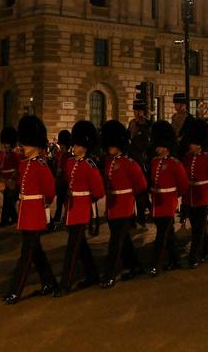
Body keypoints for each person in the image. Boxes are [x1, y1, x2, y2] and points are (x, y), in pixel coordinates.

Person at [3, 115, 57, 304]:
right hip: (25, 211)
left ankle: (15, 290)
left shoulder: (41, 164)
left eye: (25, 144)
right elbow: (21, 184)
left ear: (34, 144)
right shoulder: (25, 163)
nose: (22, 147)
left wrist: (43, 205)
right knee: (36, 252)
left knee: (26, 254)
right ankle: (50, 282)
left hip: (35, 213)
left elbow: (50, 191)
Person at [58, 120, 105, 294]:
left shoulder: (90, 165)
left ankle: (65, 283)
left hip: (82, 209)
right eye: (74, 145)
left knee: (72, 249)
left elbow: (99, 191)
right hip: (71, 208)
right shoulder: (70, 162)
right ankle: (92, 274)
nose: (74, 148)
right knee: (81, 246)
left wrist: (87, 200)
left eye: (78, 145)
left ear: (85, 147)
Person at [100, 119, 147, 287]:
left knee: (115, 243)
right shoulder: (109, 162)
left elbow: (141, 185)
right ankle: (134, 266)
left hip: (124, 206)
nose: (110, 147)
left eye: (112, 144)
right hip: (112, 206)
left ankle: (109, 275)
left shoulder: (129, 164)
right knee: (124, 240)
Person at [147, 120, 188, 276]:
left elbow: (183, 185)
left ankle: (155, 264)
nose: (158, 149)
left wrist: (175, 198)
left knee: (161, 235)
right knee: (168, 234)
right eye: (157, 145)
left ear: (167, 147)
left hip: (168, 202)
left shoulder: (175, 163)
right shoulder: (154, 162)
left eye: (161, 146)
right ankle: (176, 260)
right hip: (157, 202)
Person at [180, 117, 208, 268]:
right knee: (198, 227)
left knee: (197, 229)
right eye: (191, 142)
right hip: (189, 197)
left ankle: (194, 257)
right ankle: (206, 251)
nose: (192, 145)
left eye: (195, 143)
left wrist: (207, 191)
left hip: (202, 196)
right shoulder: (187, 158)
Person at [127, 101, 152, 227]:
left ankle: (141, 216)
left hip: (142, 159)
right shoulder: (132, 122)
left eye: (139, 110)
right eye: (135, 110)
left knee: (141, 191)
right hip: (132, 157)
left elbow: (147, 142)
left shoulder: (147, 124)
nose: (136, 113)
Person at [48, 129, 72, 231]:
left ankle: (64, 217)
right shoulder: (60, 154)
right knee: (60, 201)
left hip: (64, 182)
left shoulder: (68, 156)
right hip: (59, 181)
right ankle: (59, 216)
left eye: (63, 147)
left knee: (64, 201)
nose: (61, 149)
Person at [0, 126, 19, 227]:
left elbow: (18, 169)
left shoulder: (15, 155)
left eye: (8, 146)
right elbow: (0, 169)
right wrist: (0, 181)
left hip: (13, 181)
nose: (6, 148)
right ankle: (15, 218)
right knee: (8, 201)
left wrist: (12, 179)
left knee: (7, 201)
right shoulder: (1, 155)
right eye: (5, 146)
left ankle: (4, 220)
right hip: (5, 181)